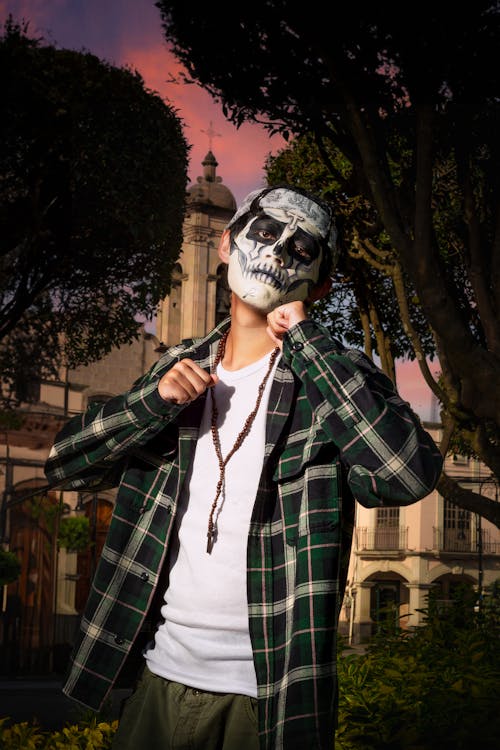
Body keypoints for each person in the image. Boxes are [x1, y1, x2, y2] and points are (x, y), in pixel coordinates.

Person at [45, 184, 443, 750]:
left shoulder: (337, 382)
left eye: (303, 250)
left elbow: (405, 473)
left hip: (271, 703)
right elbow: (64, 464)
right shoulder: (174, 374)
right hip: (159, 683)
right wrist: (151, 403)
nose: (279, 252)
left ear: (321, 285)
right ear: (228, 244)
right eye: (265, 232)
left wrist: (305, 340)